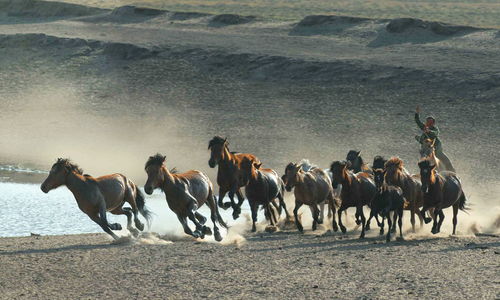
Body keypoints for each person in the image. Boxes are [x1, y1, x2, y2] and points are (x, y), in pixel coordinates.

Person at [414, 105, 456, 172]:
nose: (428, 123)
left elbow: (435, 133)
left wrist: (429, 131)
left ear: (433, 123)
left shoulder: (435, 129)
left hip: (437, 151)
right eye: (427, 122)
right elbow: (417, 121)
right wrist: (417, 113)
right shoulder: (424, 128)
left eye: (430, 122)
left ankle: (453, 172)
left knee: (447, 162)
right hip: (426, 152)